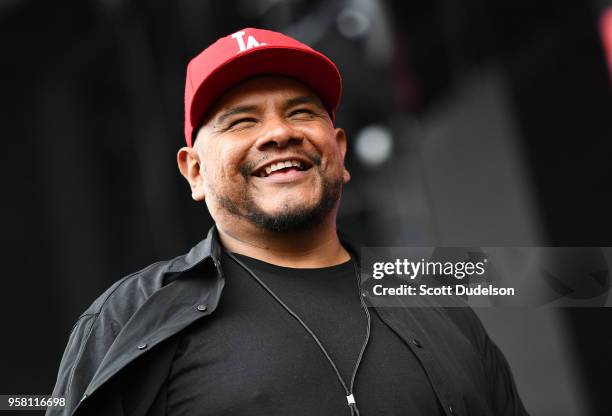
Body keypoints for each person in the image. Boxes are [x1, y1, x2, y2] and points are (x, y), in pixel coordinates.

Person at [48, 28, 529, 416]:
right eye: (242, 121)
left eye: (300, 112)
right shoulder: (130, 317)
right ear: (194, 171)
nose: (279, 132)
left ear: (339, 150)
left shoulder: (442, 313)